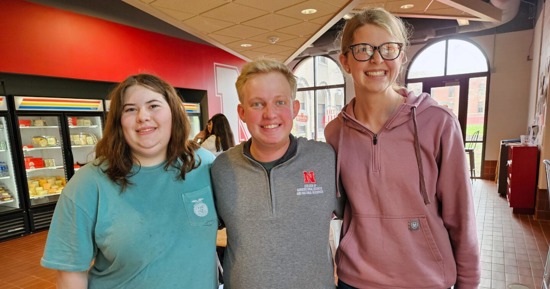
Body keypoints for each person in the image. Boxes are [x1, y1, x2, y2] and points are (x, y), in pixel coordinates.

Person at [324, 8, 480, 289]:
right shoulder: (335, 133)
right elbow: (333, 206)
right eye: (363, 49)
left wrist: (468, 283)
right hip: (356, 279)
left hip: (425, 280)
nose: (376, 59)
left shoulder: (438, 123)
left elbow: (461, 216)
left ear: (401, 56)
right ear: (345, 61)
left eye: (388, 49)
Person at [41, 74, 219, 289]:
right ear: (118, 122)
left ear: (173, 112)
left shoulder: (204, 165)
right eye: (130, 109)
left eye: (153, 105)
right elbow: (70, 272)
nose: (143, 116)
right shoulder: (88, 184)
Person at [211, 58, 342, 289]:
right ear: (241, 112)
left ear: (295, 108)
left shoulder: (325, 159)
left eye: (280, 102)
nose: (270, 114)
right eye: (257, 104)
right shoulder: (222, 168)